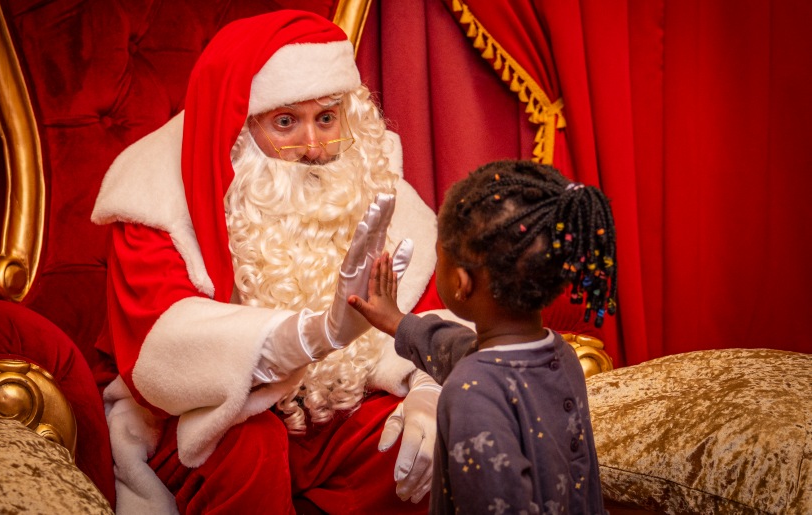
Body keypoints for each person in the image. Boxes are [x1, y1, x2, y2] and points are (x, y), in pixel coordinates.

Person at [90, 9, 444, 514]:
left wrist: (428, 389)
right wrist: (315, 334)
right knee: (252, 444)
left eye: (326, 118)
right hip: (203, 421)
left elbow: (432, 312)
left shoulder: (371, 183)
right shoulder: (152, 199)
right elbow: (160, 359)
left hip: (334, 412)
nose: (316, 148)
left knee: (429, 439)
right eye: (285, 123)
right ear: (239, 127)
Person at [349, 159, 614, 514]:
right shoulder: (558, 353)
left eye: (438, 253)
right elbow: (461, 350)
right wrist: (399, 322)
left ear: (461, 282)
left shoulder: (471, 395)